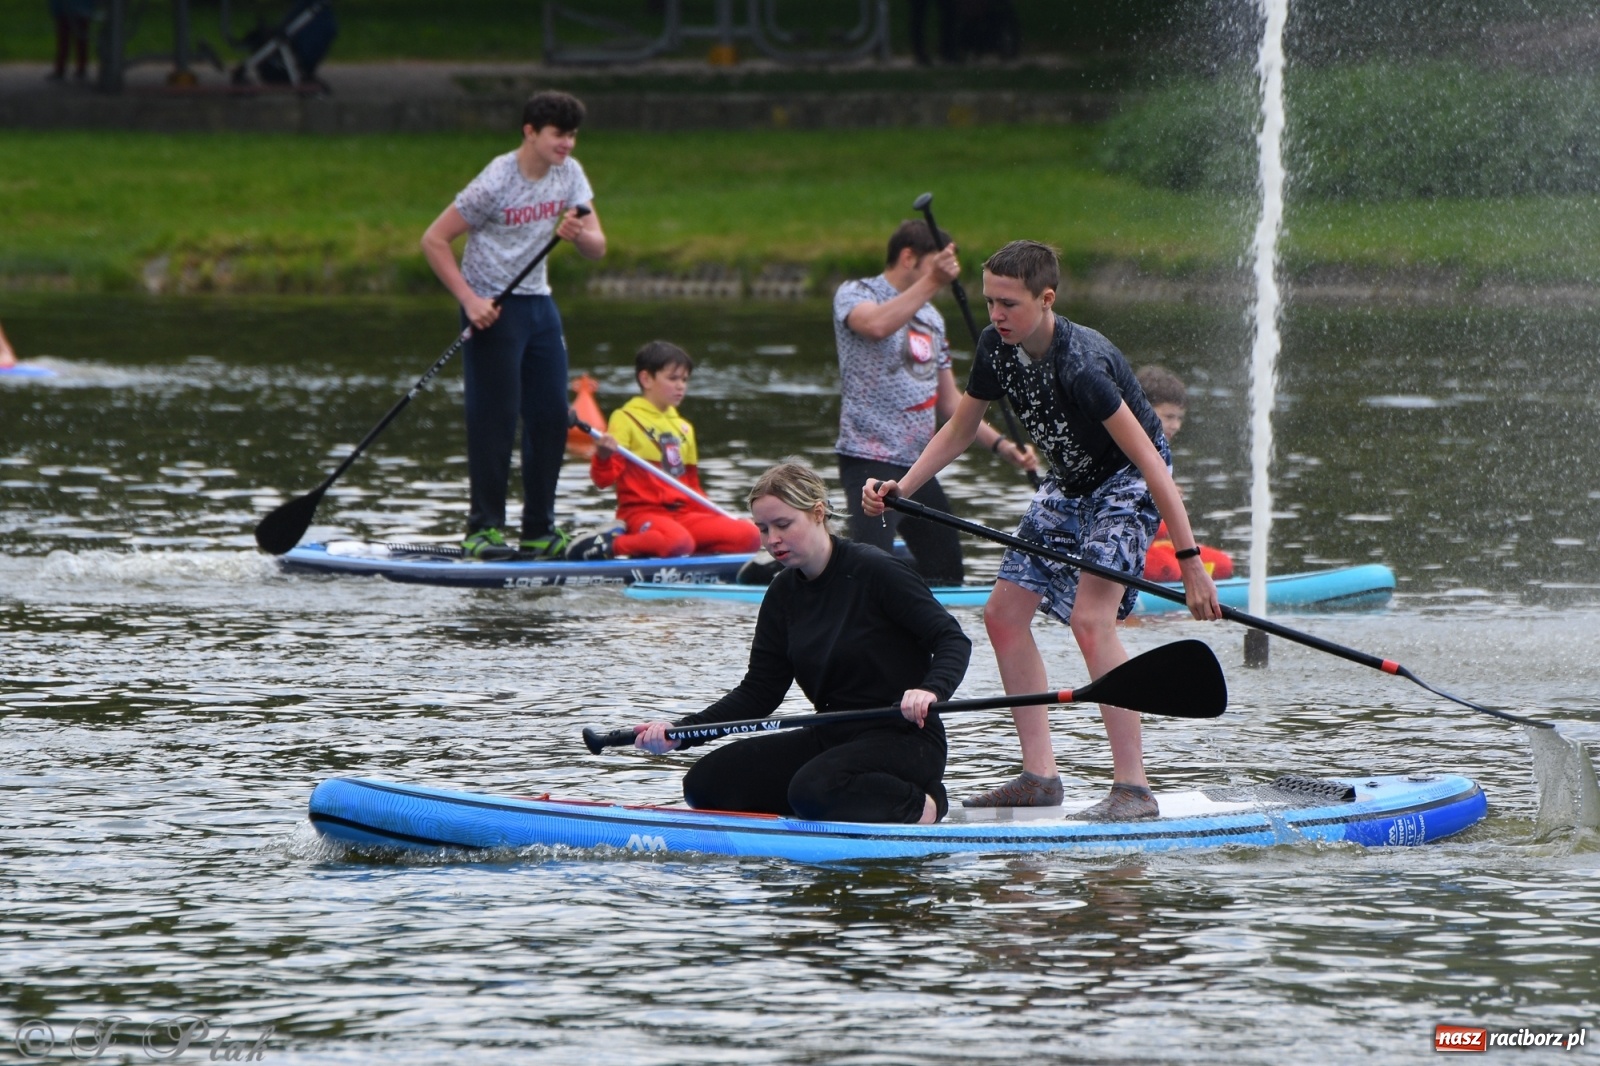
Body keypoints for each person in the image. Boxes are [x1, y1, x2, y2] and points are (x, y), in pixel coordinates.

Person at [863, 240, 1221, 821]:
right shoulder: (994, 348)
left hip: (1127, 483)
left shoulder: (1084, 365)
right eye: (988, 302)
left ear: (1046, 299)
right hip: (1070, 484)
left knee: (1090, 619)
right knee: (1002, 616)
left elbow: (1154, 465)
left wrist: (1189, 561)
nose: (995, 315)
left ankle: (1134, 788)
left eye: (1008, 303)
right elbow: (958, 429)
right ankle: (1040, 776)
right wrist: (902, 486)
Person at [630, 461, 972, 824]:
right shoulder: (782, 593)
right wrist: (682, 733)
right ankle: (829, 807)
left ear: (818, 514)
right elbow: (760, 691)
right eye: (762, 529)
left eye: (783, 525)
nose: (771, 539)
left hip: (906, 738)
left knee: (813, 790)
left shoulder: (876, 570)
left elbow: (952, 638)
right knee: (706, 785)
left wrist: (930, 691)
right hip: (833, 735)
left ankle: (927, 804)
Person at [421, 90, 607, 562]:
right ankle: (482, 529)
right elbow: (434, 240)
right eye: (557, 135)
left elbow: (598, 247)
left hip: (538, 304)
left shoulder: (571, 173)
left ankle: (539, 530)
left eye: (572, 135)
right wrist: (470, 300)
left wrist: (578, 231)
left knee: (549, 416)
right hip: (492, 307)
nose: (567, 144)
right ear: (530, 132)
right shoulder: (496, 180)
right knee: (495, 418)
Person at [835, 219, 1037, 586]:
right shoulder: (856, 293)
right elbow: (876, 326)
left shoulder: (931, 319)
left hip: (916, 468)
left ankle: (855, 572)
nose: (942, 275)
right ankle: (795, 571)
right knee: (869, 574)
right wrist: (934, 281)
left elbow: (950, 402)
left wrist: (1003, 447)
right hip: (868, 460)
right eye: (936, 264)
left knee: (946, 574)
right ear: (909, 257)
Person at [569, 340, 761, 560]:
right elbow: (602, 480)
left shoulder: (684, 428)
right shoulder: (625, 418)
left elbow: (692, 489)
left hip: (684, 515)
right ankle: (613, 544)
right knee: (677, 541)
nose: (681, 386)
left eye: (684, 379)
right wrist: (602, 455)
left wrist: (725, 519)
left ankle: (679, 550)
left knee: (750, 535)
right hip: (641, 514)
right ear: (646, 379)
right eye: (673, 378)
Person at [1136, 366, 1234, 582]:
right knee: (1168, 569)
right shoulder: (1125, 447)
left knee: (1223, 564)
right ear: (1142, 410)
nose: (1176, 425)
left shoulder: (1161, 450)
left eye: (1179, 418)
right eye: (1169, 416)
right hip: (1122, 545)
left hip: (1150, 543)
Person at [49, 0, 93, 81]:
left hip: (72, 9)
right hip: (76, 8)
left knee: (71, 39)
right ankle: (76, 68)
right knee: (74, 39)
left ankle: (65, 68)